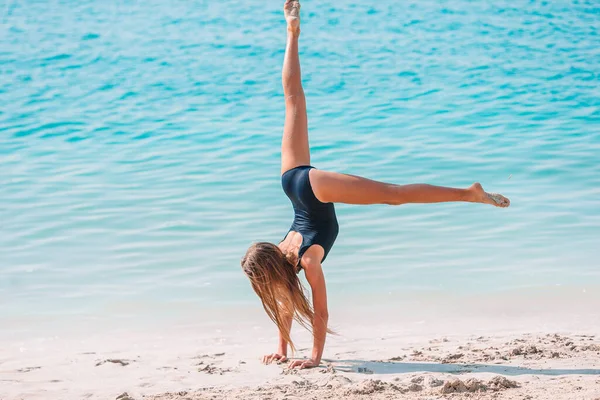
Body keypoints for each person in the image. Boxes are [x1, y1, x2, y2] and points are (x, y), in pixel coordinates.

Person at [241, 0, 510, 370]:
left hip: (316, 190)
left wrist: (315, 358)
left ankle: (469, 193)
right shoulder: (285, 256)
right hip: (293, 184)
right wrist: (283, 351)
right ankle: (291, 30)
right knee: (292, 102)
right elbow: (286, 302)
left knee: (394, 196)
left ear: (272, 271)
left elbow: (320, 311)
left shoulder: (307, 260)